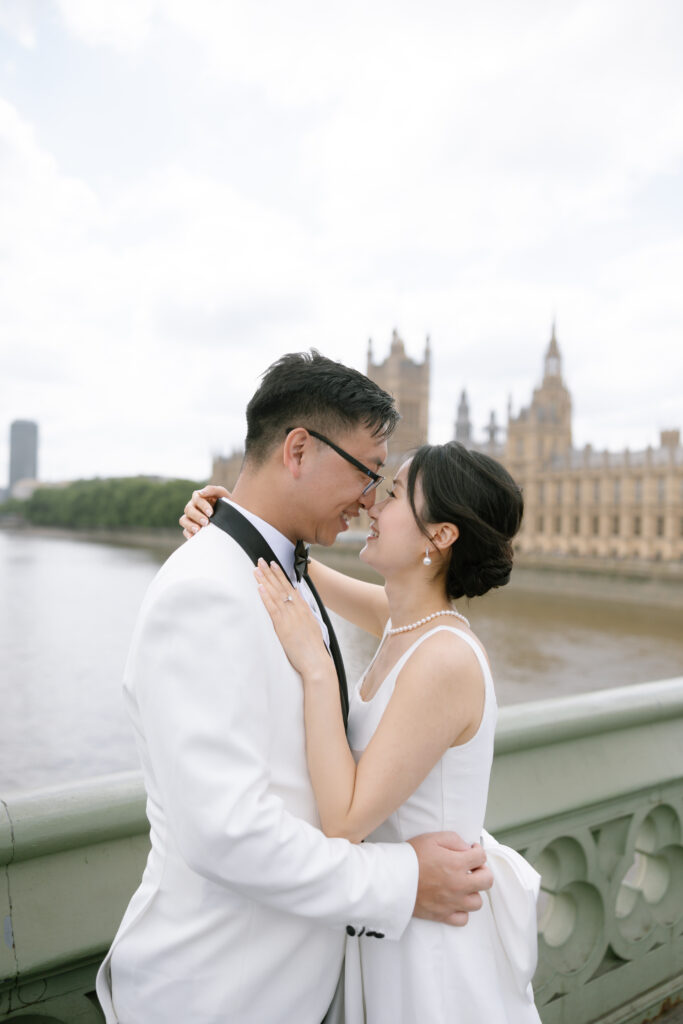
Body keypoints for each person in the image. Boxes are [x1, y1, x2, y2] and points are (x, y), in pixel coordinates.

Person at [96, 352, 493, 1024]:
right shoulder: (204, 593)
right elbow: (226, 832)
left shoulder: (282, 572)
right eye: (370, 472)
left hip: (305, 981)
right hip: (221, 995)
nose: (371, 497)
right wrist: (403, 879)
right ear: (299, 449)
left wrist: (230, 526)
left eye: (387, 486)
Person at [184, 439, 542, 1023]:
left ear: (440, 537)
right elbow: (289, 566)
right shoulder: (406, 622)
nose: (374, 503)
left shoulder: (444, 658)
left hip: (433, 951)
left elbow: (346, 820)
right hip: (392, 916)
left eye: (396, 493)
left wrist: (318, 669)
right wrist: (230, 520)